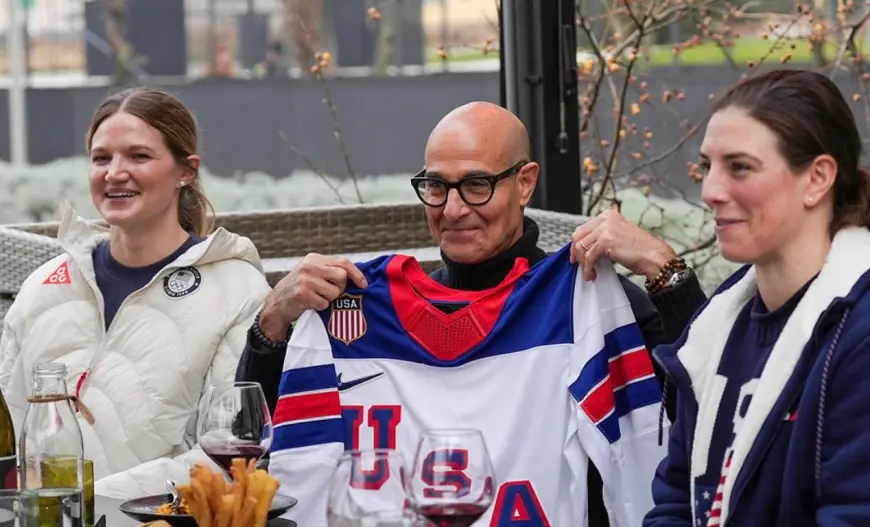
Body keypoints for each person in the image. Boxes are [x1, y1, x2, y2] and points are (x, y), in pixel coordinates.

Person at [236, 102, 703, 525]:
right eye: (436, 186)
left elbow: (700, 417)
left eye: (476, 185)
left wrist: (666, 269)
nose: (453, 209)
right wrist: (274, 318)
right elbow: (252, 436)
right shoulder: (353, 306)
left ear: (525, 183)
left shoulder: (582, 303)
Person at [607, 69, 870, 525]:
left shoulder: (858, 334)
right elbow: (674, 498)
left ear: (817, 178)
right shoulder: (717, 326)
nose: (710, 192)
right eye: (708, 166)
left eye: (740, 167)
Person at [0, 87, 272, 499]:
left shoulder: (237, 290)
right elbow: (9, 440)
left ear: (187, 171)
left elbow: (227, 456)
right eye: (101, 158)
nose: (114, 172)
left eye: (138, 156)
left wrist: (90, 502)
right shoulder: (43, 288)